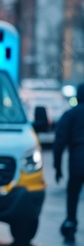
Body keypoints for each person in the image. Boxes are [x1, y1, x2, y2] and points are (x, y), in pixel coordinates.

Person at [53, 82, 84, 243]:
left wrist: (57, 168)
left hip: (77, 164)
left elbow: (59, 143)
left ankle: (70, 223)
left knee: (73, 195)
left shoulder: (70, 115)